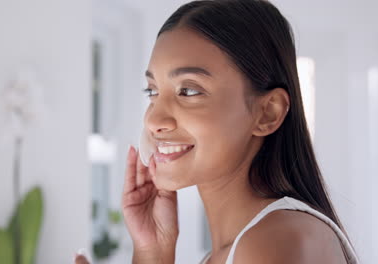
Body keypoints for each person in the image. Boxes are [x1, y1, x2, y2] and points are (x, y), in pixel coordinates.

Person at [76, 0, 359, 263]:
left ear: (267, 112)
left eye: (188, 90)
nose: (154, 119)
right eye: (152, 91)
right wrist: (152, 250)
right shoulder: (230, 251)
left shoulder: (275, 241)